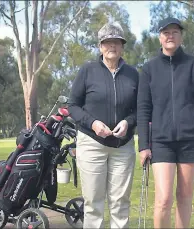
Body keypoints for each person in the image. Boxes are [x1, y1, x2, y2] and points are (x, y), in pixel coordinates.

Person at [137, 17, 194, 228]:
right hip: (161, 142)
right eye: (166, 33)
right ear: (160, 37)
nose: (170, 36)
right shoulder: (149, 68)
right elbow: (143, 109)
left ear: (181, 36)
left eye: (174, 32)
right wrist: (143, 145)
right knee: (163, 199)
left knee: (185, 196)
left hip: (191, 140)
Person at [68, 22, 139, 228]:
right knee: (93, 203)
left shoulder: (133, 74)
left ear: (122, 46)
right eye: (107, 43)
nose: (112, 47)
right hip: (92, 144)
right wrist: (93, 123)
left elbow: (140, 109)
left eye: (116, 42)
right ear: (100, 46)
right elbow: (73, 106)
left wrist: (128, 122)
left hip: (123, 147)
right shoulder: (87, 71)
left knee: (120, 202)